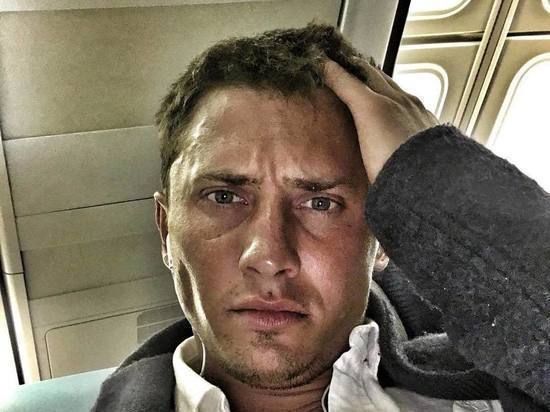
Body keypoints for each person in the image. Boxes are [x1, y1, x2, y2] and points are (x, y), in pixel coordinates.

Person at [92, 24, 550, 411]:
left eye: (320, 203)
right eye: (224, 197)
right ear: (165, 231)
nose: (268, 257)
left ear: (383, 240)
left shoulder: (487, 396)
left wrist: (438, 178)